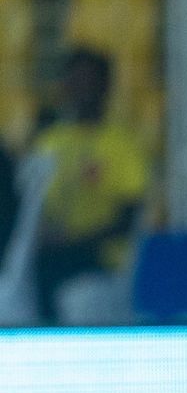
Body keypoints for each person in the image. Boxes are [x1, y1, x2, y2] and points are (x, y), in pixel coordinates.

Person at [32, 47, 148, 325]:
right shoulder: (49, 143)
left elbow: (127, 219)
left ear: (105, 87)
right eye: (74, 81)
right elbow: (33, 210)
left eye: (88, 81)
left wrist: (73, 240)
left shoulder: (123, 145)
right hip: (51, 257)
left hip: (102, 260)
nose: (81, 89)